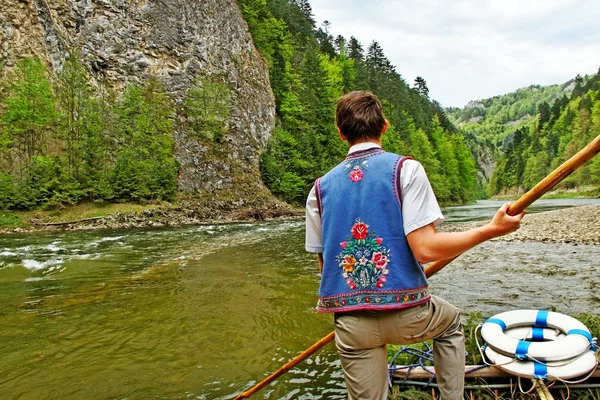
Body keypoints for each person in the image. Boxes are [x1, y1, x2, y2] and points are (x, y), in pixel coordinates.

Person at [305, 90, 524, 400]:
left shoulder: (318, 190)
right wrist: (490, 229)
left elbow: (325, 265)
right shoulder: (406, 169)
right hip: (410, 314)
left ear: (341, 134)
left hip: (352, 322)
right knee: (450, 323)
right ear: (384, 127)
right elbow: (426, 249)